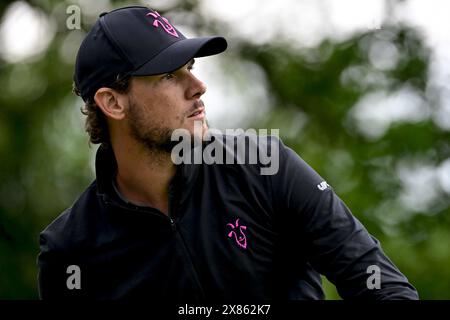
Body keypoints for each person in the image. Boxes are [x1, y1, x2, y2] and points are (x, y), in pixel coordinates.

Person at [37, 5, 419, 300]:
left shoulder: (266, 167)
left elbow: (382, 287)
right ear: (113, 103)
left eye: (190, 67)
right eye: (169, 75)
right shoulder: (69, 250)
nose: (198, 86)